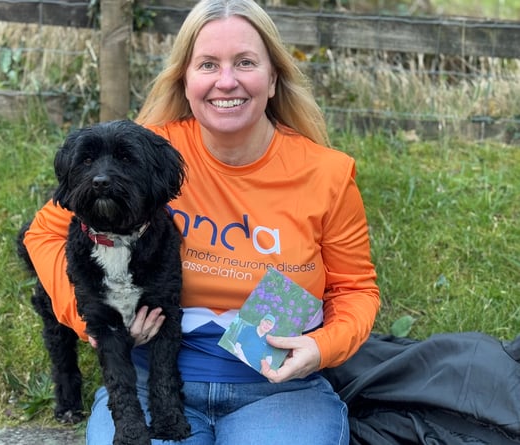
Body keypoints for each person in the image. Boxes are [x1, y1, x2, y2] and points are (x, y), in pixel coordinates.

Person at [24, 0, 380, 443]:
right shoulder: (147, 154)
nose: (226, 81)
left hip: (277, 388)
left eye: (245, 62)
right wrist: (90, 320)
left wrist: (322, 347)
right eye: (208, 64)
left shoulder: (324, 173)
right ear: (186, 79)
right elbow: (44, 232)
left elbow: (354, 289)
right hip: (152, 378)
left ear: (273, 78)